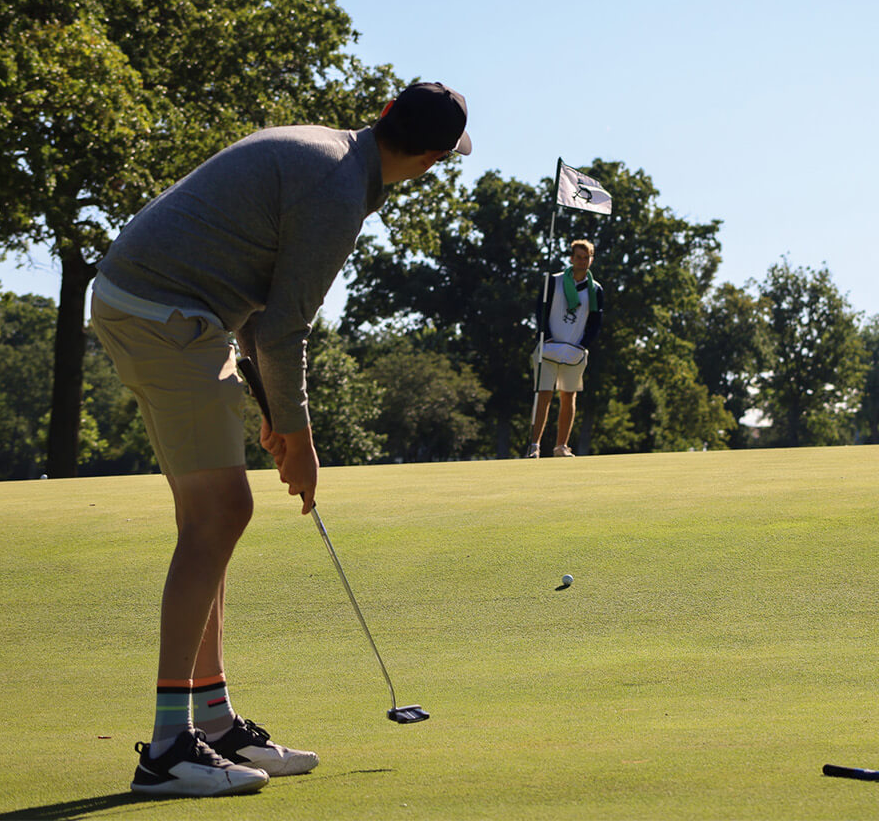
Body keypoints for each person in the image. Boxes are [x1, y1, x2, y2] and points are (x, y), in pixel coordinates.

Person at [90, 82, 470, 797]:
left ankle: (211, 718)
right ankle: (169, 748)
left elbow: (257, 311)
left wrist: (273, 409)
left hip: (158, 306)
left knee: (210, 519)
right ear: (428, 158)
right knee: (221, 514)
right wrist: (299, 439)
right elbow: (282, 328)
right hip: (166, 314)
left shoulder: (329, 150)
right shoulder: (337, 193)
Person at [526, 239, 603, 458]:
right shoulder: (554, 281)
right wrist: (546, 337)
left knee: (569, 397)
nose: (582, 261)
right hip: (549, 348)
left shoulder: (595, 289)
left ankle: (561, 446)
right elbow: (540, 310)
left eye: (586, 257)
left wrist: (583, 345)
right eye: (578, 257)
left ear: (591, 259)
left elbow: (596, 321)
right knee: (544, 395)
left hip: (574, 352)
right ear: (571, 258)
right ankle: (535, 446)